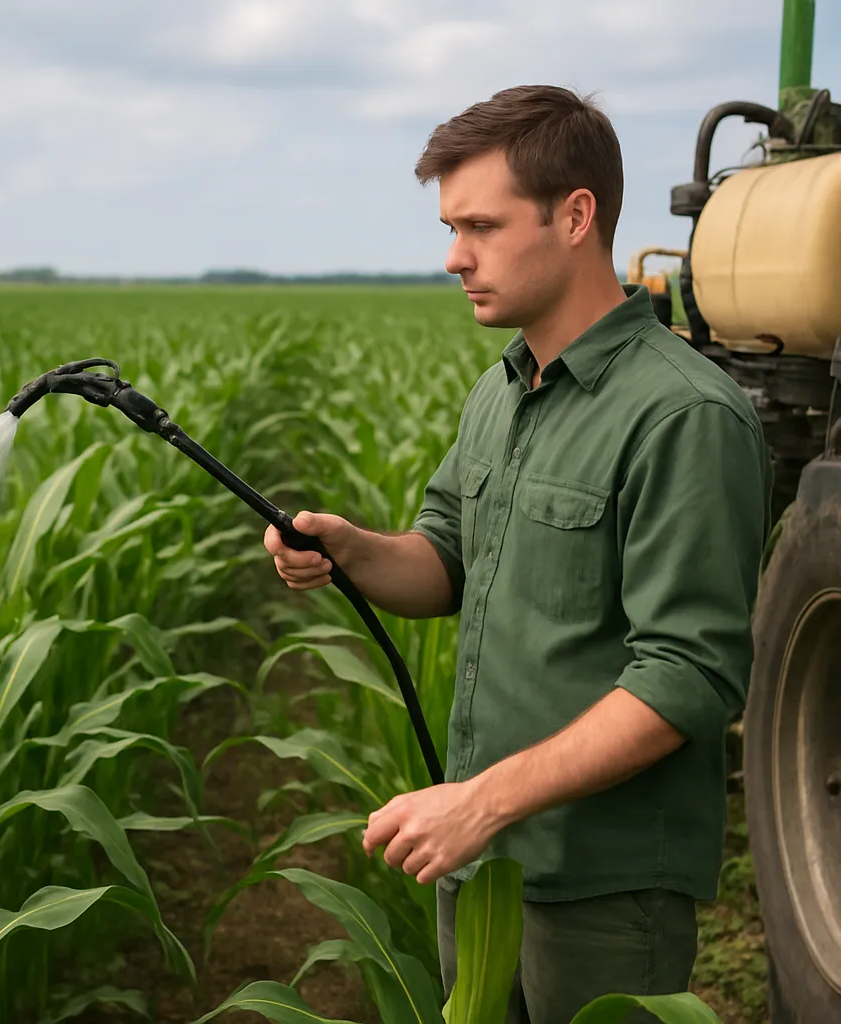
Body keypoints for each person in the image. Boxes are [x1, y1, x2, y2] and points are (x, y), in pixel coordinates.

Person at [263, 84, 773, 1024]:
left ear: (576, 215)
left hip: (603, 888)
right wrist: (355, 551)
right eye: (452, 227)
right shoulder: (500, 394)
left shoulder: (684, 416)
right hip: (485, 864)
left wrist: (482, 802)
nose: (454, 257)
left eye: (480, 227)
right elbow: (448, 561)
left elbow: (689, 676)